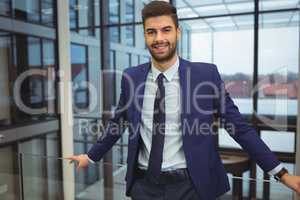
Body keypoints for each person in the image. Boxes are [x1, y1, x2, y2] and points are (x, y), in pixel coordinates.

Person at [68, 1, 300, 199]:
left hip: (192, 187)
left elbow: (239, 128)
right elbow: (118, 123)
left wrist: (281, 173)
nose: (159, 38)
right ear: (145, 35)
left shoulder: (205, 75)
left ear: (177, 32)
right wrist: (90, 156)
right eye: (152, 32)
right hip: (143, 186)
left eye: (166, 30)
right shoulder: (131, 77)